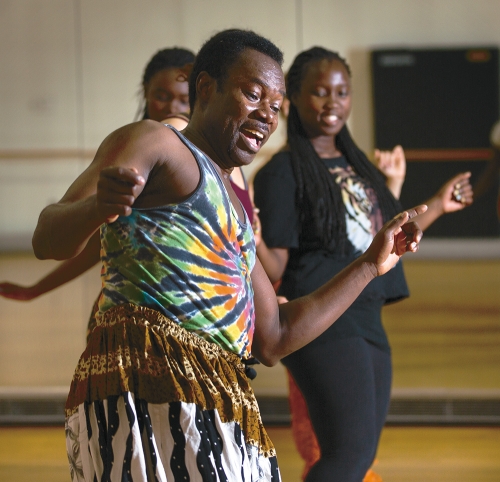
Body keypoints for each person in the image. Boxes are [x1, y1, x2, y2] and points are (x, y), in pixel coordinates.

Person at [30, 31, 424, 482]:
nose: (266, 114)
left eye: (275, 106)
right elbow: (47, 238)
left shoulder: (236, 211)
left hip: (219, 403)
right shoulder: (157, 143)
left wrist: (371, 265)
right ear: (205, 88)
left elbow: (274, 338)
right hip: (148, 390)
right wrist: (96, 208)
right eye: (252, 94)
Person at [253, 46, 472, 482]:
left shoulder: (358, 165)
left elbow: (386, 235)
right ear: (294, 97)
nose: (332, 102)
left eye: (341, 91)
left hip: (367, 315)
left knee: (358, 457)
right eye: (319, 92)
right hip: (324, 316)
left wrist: (438, 206)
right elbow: (277, 261)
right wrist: (251, 236)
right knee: (346, 456)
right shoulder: (283, 172)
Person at [0, 47, 195, 305]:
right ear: (146, 91)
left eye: (183, 100)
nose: (172, 107)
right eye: (162, 95)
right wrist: (37, 289)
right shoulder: (126, 152)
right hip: (137, 321)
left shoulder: (212, 159)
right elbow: (93, 242)